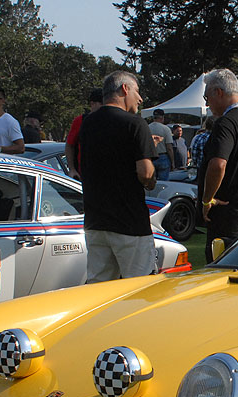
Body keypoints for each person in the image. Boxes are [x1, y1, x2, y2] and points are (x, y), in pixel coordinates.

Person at [79, 70, 158, 282]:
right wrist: (150, 180)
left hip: (96, 221)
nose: (140, 98)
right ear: (124, 89)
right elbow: (146, 172)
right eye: (137, 91)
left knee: (99, 291)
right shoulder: (135, 123)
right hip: (129, 223)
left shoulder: (87, 124)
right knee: (140, 288)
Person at [199, 68, 238, 263]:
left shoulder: (226, 123)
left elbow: (218, 164)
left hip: (226, 216)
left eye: (207, 97)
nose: (207, 103)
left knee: (218, 275)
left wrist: (206, 199)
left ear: (218, 92)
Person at [65, 89, 103, 180]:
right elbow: (69, 145)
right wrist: (72, 169)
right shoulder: (80, 121)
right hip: (84, 175)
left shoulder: (112, 120)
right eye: (101, 104)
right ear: (92, 104)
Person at [148, 109, 175, 180]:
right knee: (164, 182)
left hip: (150, 157)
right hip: (163, 156)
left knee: (151, 181)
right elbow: (169, 147)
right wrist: (172, 162)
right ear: (162, 117)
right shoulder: (166, 129)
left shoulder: (147, 128)